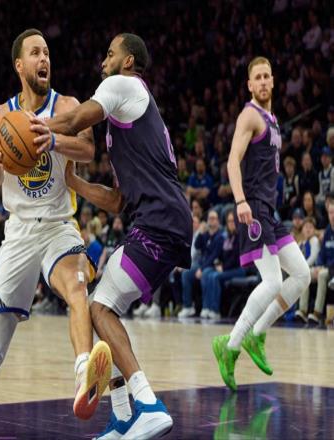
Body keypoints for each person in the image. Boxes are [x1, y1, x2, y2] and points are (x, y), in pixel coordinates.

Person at [31, 33, 192, 439]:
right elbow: (118, 200)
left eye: (109, 54)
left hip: (159, 221)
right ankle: (121, 416)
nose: (103, 62)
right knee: (102, 308)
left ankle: (149, 404)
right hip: (160, 221)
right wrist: (77, 184)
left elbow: (74, 120)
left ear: (128, 61)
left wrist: (36, 130)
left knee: (100, 308)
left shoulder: (122, 85)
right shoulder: (128, 119)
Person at [0, 29, 112, 439]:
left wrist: (52, 139)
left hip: (59, 225)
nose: (44, 59)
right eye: (35, 53)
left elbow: (88, 151)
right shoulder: (1, 115)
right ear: (19, 65)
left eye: (47, 53)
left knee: (77, 289)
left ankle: (84, 375)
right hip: (20, 233)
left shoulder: (67, 105)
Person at [211, 57, 311, 391]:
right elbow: (232, 161)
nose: (264, 81)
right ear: (250, 85)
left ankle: (256, 333)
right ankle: (230, 345)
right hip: (252, 208)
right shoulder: (249, 115)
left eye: (268, 76)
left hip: (270, 211)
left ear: (273, 80)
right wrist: (240, 201)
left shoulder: (273, 119)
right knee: (272, 281)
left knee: (302, 274)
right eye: (258, 77)